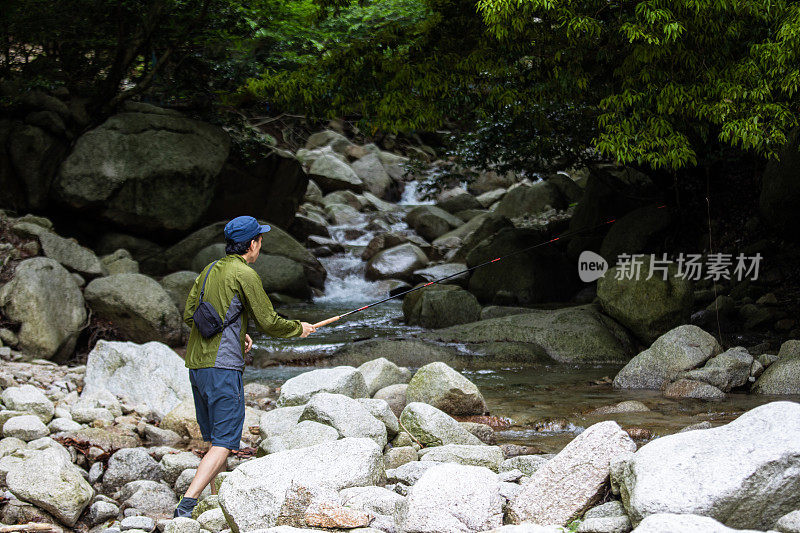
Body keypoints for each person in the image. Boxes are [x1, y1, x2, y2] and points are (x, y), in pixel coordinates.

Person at [174, 215, 316, 518]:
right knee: (225, 441)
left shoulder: (209, 269)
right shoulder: (246, 274)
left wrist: (238, 330)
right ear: (252, 244)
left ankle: (215, 503)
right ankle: (187, 504)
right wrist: (298, 329)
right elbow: (269, 320)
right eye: (260, 240)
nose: (260, 245)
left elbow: (190, 315)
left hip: (196, 366)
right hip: (223, 367)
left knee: (214, 439)